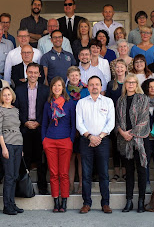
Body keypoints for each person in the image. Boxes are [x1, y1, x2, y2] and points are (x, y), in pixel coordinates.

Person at [76, 76, 115, 214]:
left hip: (102, 141)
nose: (94, 87)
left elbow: (111, 123)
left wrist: (99, 137)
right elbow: (79, 123)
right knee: (86, 174)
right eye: (91, 84)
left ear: (101, 86)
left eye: (97, 84)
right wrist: (90, 136)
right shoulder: (81, 103)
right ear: (88, 86)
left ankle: (105, 203)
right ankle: (86, 203)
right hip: (86, 140)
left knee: (103, 173)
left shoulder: (108, 102)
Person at [116, 74, 150, 213]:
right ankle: (129, 201)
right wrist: (122, 132)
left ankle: (141, 201)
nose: (130, 84)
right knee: (129, 172)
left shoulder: (143, 99)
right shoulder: (120, 100)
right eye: (128, 82)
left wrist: (132, 133)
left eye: (133, 82)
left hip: (140, 140)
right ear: (125, 84)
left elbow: (144, 119)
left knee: (141, 171)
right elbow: (117, 119)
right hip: (125, 141)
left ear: (137, 85)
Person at [14, 62, 50, 195]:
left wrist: (39, 122)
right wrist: (25, 122)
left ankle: (42, 186)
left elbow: (47, 110)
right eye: (30, 72)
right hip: (25, 127)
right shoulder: (19, 89)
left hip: (40, 127)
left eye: (35, 72)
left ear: (39, 74)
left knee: (41, 159)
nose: (33, 75)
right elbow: (16, 109)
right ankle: (24, 187)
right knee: (25, 158)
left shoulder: (46, 90)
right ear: (26, 73)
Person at [42, 77, 76, 213]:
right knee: (54, 173)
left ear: (63, 87)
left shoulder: (69, 104)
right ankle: (56, 201)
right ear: (51, 88)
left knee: (64, 173)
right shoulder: (48, 104)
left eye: (59, 85)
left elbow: (73, 124)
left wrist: (71, 140)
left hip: (65, 141)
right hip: (50, 141)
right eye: (54, 85)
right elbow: (44, 123)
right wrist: (44, 140)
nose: (57, 88)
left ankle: (64, 201)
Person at [0, 87, 24, 215]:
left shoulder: (16, 110)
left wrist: (21, 148)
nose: (7, 97)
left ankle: (12, 203)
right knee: (8, 176)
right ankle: (7, 206)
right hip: (7, 144)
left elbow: (18, 128)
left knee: (14, 176)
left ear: (12, 96)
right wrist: (4, 148)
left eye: (9, 95)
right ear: (1, 97)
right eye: (4, 95)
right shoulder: (0, 110)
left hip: (18, 144)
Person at [65, 66, 90, 194]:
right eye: (72, 75)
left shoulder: (86, 90)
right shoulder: (64, 91)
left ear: (80, 76)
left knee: (81, 157)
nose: (74, 78)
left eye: (76, 75)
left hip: (84, 128)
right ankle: (70, 185)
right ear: (68, 77)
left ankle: (81, 184)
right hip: (68, 128)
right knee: (70, 157)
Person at [106, 60, 128, 183]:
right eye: (117, 67)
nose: (119, 69)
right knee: (115, 145)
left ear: (125, 68)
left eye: (121, 67)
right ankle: (115, 173)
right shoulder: (111, 84)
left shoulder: (130, 82)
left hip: (127, 118)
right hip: (114, 117)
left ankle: (124, 172)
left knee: (124, 145)